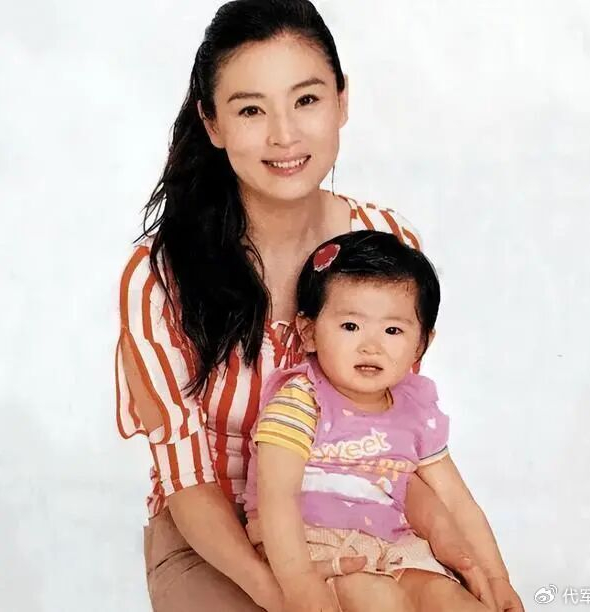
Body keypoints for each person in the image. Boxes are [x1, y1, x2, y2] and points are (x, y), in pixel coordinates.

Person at [115, 0, 520, 610]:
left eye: (305, 100)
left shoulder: (386, 243)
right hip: (217, 536)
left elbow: (391, 434)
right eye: (251, 109)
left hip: (367, 518)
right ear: (212, 123)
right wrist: (287, 595)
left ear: (341, 101)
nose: (284, 135)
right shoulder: (161, 274)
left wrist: (460, 554)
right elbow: (187, 480)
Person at [244, 230, 518, 611]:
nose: (371, 346)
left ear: (421, 344)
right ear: (309, 332)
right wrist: (299, 581)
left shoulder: (414, 408)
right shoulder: (300, 402)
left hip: (393, 544)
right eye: (350, 326)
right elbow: (277, 497)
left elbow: (457, 500)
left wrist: (497, 577)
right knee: (382, 601)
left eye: (392, 330)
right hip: (310, 545)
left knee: (450, 598)